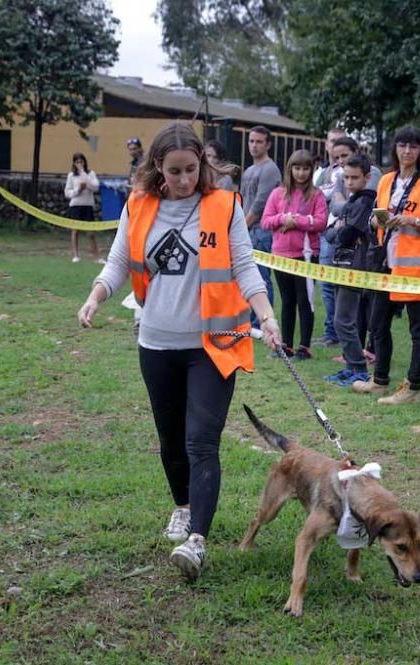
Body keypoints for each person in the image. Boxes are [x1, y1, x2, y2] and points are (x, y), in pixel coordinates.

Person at [77, 123, 281, 581]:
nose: (185, 179)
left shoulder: (223, 206)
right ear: (157, 169)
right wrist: (95, 297)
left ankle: (198, 542)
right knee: (170, 440)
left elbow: (245, 267)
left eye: (192, 169)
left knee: (201, 441)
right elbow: (116, 263)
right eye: (175, 172)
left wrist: (266, 316)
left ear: (202, 166)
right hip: (156, 343)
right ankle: (183, 508)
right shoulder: (139, 204)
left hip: (211, 345)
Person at [352, 126, 420, 405]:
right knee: (377, 323)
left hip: (416, 268)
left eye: (414, 146)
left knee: (418, 329)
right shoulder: (386, 181)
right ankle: (380, 380)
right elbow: (376, 216)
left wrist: (411, 221)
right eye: (402, 145)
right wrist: (378, 220)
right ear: (395, 149)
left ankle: (412, 388)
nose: (407, 151)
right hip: (386, 261)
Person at [260, 149, 328, 359]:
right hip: (280, 256)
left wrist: (295, 221)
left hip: (306, 255)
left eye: (305, 168)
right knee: (287, 301)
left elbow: (321, 222)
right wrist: (283, 219)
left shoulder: (317, 195)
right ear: (290, 169)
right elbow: (266, 221)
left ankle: (304, 348)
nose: (301, 173)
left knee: (304, 300)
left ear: (311, 170)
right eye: (297, 168)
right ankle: (286, 346)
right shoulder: (277, 194)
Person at [323, 154, 378, 386]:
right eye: (345, 177)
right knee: (342, 319)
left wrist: (338, 229)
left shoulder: (365, 202)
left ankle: (358, 368)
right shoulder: (352, 201)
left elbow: (346, 234)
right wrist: (337, 229)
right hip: (342, 264)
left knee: (343, 320)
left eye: (354, 177)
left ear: (366, 177)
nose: (349, 182)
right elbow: (330, 233)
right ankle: (351, 366)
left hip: (355, 266)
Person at [240, 125, 282, 331]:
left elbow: (259, 204)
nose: (254, 145)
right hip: (247, 228)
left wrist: (241, 227)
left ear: (268, 144)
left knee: (261, 278)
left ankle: (261, 322)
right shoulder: (249, 169)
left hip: (260, 230)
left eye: (259, 142)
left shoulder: (270, 169)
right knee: (247, 275)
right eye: (251, 141)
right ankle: (250, 319)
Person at [312, 128, 349, 348]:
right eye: (332, 142)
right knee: (325, 286)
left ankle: (337, 332)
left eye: (340, 143)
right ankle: (330, 331)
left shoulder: (347, 172)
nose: (336, 148)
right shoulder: (321, 172)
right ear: (326, 145)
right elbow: (316, 196)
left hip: (343, 233)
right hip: (325, 233)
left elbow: (332, 200)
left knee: (339, 286)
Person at [64, 152, 101, 263]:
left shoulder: (90, 173)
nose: (79, 164)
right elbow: (67, 192)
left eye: (81, 161)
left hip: (88, 205)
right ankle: (76, 255)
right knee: (75, 230)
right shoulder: (71, 175)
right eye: (77, 162)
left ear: (85, 162)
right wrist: (78, 190)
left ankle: (96, 257)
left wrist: (86, 182)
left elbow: (96, 187)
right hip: (76, 205)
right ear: (74, 163)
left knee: (91, 233)